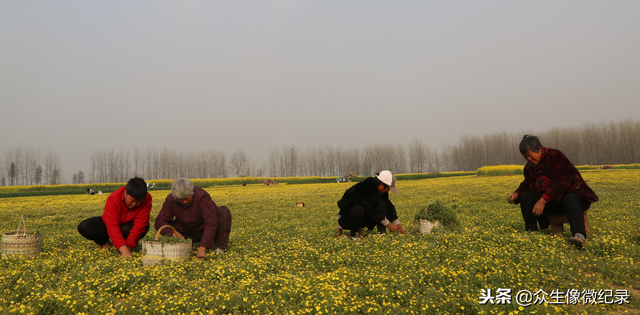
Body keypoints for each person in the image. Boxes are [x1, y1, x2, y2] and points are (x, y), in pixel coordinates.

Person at [508, 135, 598, 247]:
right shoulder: (529, 167)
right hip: (553, 203)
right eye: (525, 157)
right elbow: (527, 184)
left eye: (530, 155)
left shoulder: (555, 156)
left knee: (569, 197)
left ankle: (579, 235)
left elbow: (562, 181)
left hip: (575, 200)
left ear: (539, 149)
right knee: (526, 196)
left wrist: (543, 200)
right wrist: (517, 193)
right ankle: (531, 233)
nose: (528, 159)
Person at [155, 178, 232, 258]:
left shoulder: (202, 196)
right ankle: (183, 245)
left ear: (192, 193)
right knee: (165, 225)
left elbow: (211, 222)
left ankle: (220, 247)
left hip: (203, 230)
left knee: (223, 212)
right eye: (181, 199)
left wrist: (203, 247)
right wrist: (173, 233)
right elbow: (159, 221)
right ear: (175, 197)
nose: (184, 201)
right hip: (184, 232)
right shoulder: (171, 199)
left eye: (187, 198)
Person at [77, 177, 152, 257]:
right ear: (125, 193)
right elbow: (112, 226)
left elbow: (139, 226)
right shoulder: (114, 198)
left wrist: (128, 247)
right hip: (112, 225)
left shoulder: (147, 199)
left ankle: (129, 244)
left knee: (127, 229)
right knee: (85, 226)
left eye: (138, 202)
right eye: (132, 200)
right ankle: (106, 244)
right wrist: (124, 250)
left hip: (128, 227)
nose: (134, 204)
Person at [337, 170, 408, 239]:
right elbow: (374, 208)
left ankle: (382, 233)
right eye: (388, 188)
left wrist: (400, 228)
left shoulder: (381, 192)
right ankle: (354, 235)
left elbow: (389, 208)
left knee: (382, 202)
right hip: (346, 219)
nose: (388, 190)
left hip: (361, 219)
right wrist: (389, 225)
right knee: (358, 209)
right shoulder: (366, 188)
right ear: (381, 185)